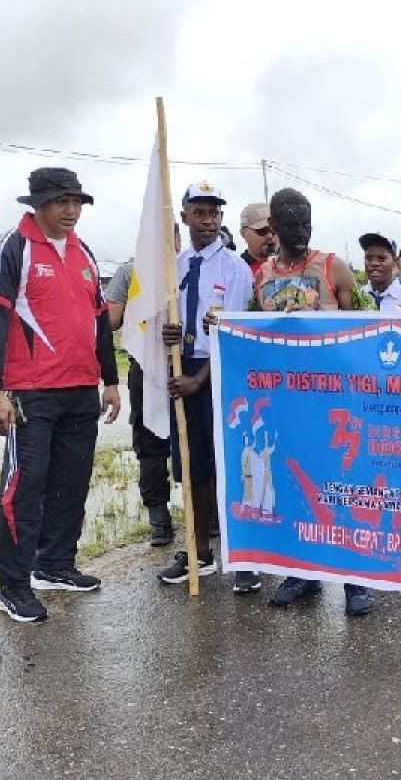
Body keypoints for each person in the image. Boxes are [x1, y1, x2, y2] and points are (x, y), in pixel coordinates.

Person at [0, 167, 121, 623]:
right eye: (62, 201)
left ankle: (55, 565)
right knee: (25, 486)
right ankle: (13, 586)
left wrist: (111, 380)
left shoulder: (84, 253)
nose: (71, 210)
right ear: (37, 204)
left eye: (77, 202)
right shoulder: (11, 248)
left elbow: (100, 320)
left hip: (80, 387)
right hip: (30, 391)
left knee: (71, 483)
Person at [259, 188, 375, 616]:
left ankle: (356, 578)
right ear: (273, 228)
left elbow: (366, 330)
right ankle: (303, 571)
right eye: (291, 225)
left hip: (336, 401)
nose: (301, 232)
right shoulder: (263, 274)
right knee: (294, 486)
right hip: (288, 404)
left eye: (306, 223)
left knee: (345, 489)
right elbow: (254, 330)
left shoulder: (334, 268)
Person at [156, 182, 256, 590]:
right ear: (184, 216)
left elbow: (234, 335)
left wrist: (199, 380)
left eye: (214, 212)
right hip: (185, 368)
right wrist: (167, 337)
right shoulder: (174, 266)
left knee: (230, 466)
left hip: (219, 375)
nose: (208, 220)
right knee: (192, 466)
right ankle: (199, 552)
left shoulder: (234, 268)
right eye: (199, 212)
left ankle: (244, 559)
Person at [105, 259, 173, 547]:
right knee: (149, 442)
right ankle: (159, 517)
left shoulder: (189, 264)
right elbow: (110, 320)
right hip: (145, 366)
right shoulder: (130, 270)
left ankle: (202, 518)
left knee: (192, 441)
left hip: (189, 365)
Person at [359, 233, 401, 311]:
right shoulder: (356, 297)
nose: (374, 263)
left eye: (382, 258)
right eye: (369, 258)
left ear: (395, 261)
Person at [238, 202, 277, 277]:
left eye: (274, 229)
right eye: (262, 231)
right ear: (243, 233)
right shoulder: (236, 270)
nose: (270, 236)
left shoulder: (294, 265)